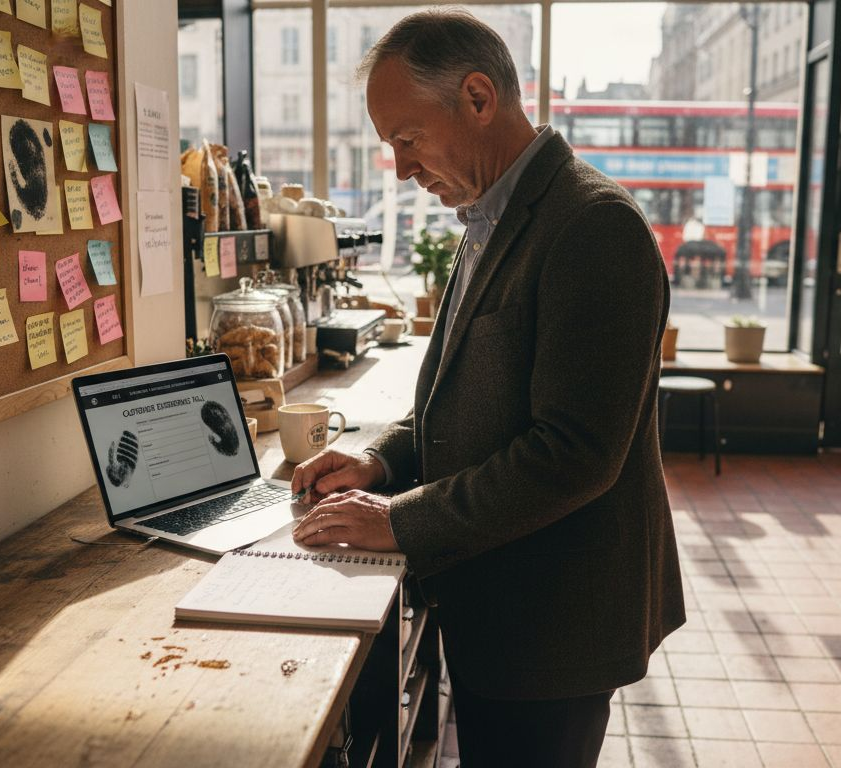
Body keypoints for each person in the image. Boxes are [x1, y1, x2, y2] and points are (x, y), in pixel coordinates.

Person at [289, 9, 684, 766]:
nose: (400, 168)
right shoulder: (489, 215)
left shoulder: (593, 225)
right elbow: (461, 396)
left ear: (477, 98)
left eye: (407, 139)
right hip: (498, 597)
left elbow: (573, 454)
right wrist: (380, 462)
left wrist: (399, 520)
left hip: (552, 622)